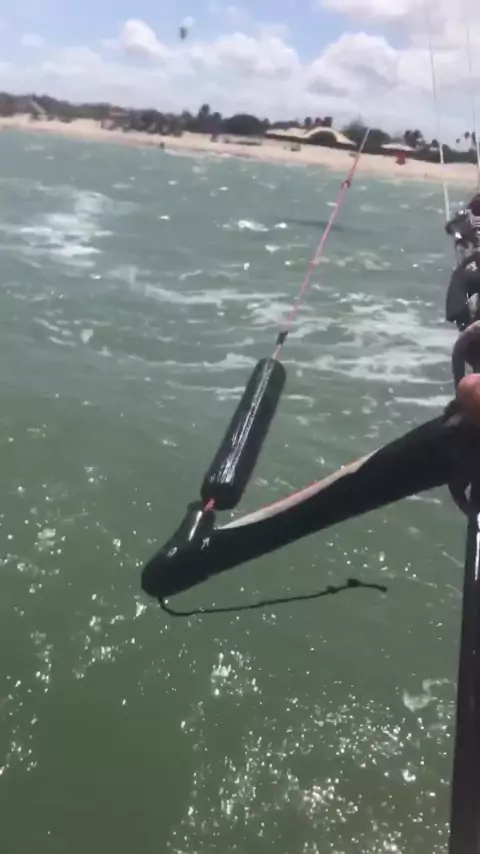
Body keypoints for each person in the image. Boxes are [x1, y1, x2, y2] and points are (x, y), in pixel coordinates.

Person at [445, 194, 480, 329]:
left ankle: (462, 319)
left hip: (476, 260)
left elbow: (452, 227)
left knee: (460, 278)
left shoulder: (471, 211)